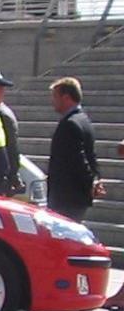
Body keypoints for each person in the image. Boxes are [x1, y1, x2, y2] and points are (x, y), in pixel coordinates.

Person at [46, 76, 103, 221]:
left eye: (55, 97)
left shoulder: (70, 124)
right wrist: (95, 179)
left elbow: (79, 160)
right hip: (76, 198)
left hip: (66, 198)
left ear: (66, 97)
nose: (52, 101)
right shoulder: (84, 120)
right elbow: (92, 157)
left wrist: (91, 183)